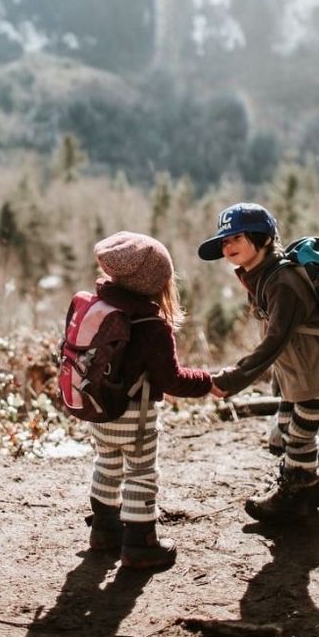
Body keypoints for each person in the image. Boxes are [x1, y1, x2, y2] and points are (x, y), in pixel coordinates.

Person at [198, 202, 319, 522]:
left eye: (236, 238)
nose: (227, 247)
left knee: (299, 435)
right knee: (285, 429)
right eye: (224, 241)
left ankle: (294, 497)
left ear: (263, 238)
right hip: (297, 369)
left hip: (317, 370)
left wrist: (231, 379)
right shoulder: (259, 274)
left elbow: (275, 340)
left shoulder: (282, 280)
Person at [86, 230, 213, 569]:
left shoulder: (98, 307)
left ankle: (103, 530)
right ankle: (141, 543)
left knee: (107, 464)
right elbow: (171, 380)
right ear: (155, 282)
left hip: (98, 412)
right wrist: (207, 381)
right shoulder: (153, 327)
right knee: (141, 473)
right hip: (134, 417)